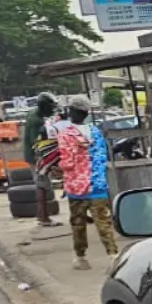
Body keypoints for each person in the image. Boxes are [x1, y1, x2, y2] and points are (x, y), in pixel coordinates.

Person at [56, 94, 116, 270]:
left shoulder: (66, 134)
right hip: (97, 185)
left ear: (71, 111)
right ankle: (113, 255)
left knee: (78, 223)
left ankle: (81, 258)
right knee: (103, 221)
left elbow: (67, 162)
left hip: (77, 186)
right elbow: (102, 156)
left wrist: (58, 166)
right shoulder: (96, 132)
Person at [22, 92, 62, 228]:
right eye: (51, 106)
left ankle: (41, 215)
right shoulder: (36, 120)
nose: (52, 109)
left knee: (42, 185)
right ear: (44, 106)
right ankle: (44, 217)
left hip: (33, 154)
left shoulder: (34, 113)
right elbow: (37, 143)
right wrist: (48, 163)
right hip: (36, 156)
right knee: (42, 185)